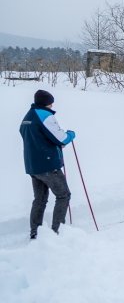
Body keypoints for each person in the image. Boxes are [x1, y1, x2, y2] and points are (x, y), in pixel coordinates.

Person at [19, 89, 75, 239]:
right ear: (46, 102)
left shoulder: (28, 116)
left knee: (40, 199)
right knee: (64, 195)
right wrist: (71, 134)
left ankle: (35, 233)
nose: (52, 105)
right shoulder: (45, 115)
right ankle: (58, 233)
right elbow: (61, 138)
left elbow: (35, 137)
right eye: (51, 102)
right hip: (49, 166)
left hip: (33, 166)